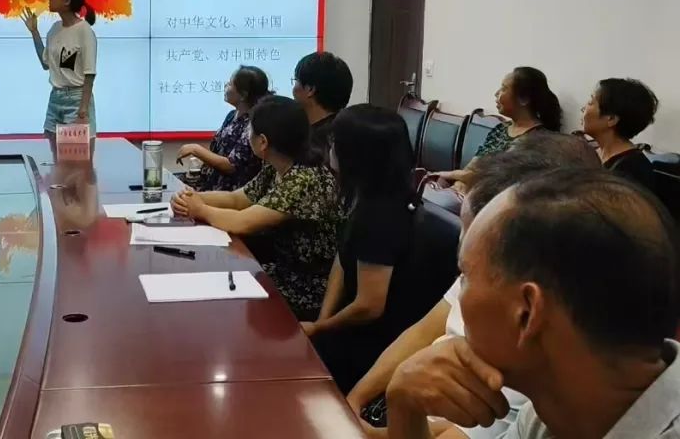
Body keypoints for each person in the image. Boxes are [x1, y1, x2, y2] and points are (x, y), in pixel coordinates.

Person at [386, 169, 680, 439]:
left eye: (465, 275)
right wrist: (404, 407)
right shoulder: (555, 411)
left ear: (526, 314)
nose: (458, 292)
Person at [346, 133, 599, 439]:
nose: (461, 274)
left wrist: (395, 411)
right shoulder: (489, 271)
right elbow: (423, 332)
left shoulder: (531, 358)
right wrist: (355, 400)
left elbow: (454, 432)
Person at [171, 95, 342, 320]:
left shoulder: (304, 179)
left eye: (249, 130)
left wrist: (199, 209)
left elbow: (243, 222)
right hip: (282, 270)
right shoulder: (278, 165)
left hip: (305, 286)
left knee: (216, 302)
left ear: (263, 142)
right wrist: (193, 197)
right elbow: (237, 200)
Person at [301, 105, 420, 394]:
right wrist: (322, 320)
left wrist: (322, 329)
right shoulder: (364, 195)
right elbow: (343, 260)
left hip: (373, 345)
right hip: (346, 326)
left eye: (335, 143)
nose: (330, 149)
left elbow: (369, 306)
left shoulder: (380, 216)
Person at [439, 67, 562, 185]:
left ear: (524, 99)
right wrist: (459, 182)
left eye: (504, 88)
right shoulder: (500, 129)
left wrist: (454, 176)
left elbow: (499, 181)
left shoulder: (538, 139)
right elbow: (472, 167)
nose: (496, 93)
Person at [21, 0, 97, 145]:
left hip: (77, 99)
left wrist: (83, 109)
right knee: (53, 151)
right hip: (55, 98)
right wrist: (34, 32)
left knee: (74, 155)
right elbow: (45, 63)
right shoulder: (55, 29)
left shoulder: (84, 31)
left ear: (67, 0)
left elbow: (90, 74)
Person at [176, 66, 269, 192]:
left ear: (243, 95)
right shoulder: (232, 115)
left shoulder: (253, 123)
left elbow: (232, 166)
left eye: (230, 84)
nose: (226, 86)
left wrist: (196, 149)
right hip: (210, 184)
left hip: (233, 193)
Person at [581, 77, 658, 190]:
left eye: (590, 103)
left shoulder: (631, 171)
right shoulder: (591, 153)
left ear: (611, 119)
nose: (583, 108)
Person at [291, 51, 353, 168]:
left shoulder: (312, 145)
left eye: (296, 81)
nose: (293, 90)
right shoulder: (349, 130)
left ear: (310, 89)